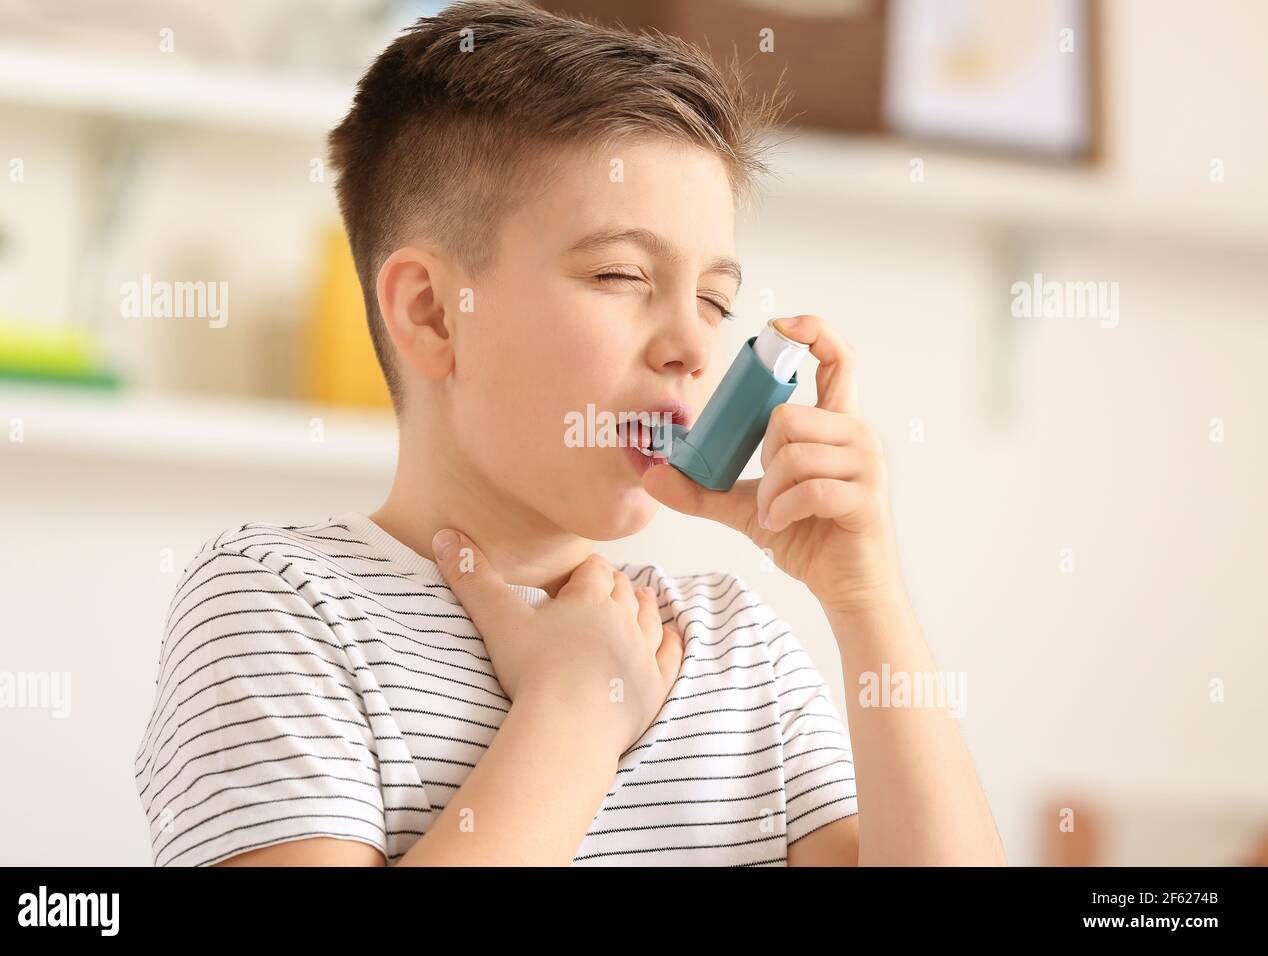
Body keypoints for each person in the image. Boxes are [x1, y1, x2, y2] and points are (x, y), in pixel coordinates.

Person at [132, 0, 1005, 866]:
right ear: (434, 313)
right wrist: (578, 714)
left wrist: (867, 603)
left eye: (714, 300)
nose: (694, 345)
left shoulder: (736, 651)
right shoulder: (279, 607)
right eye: (621, 274)